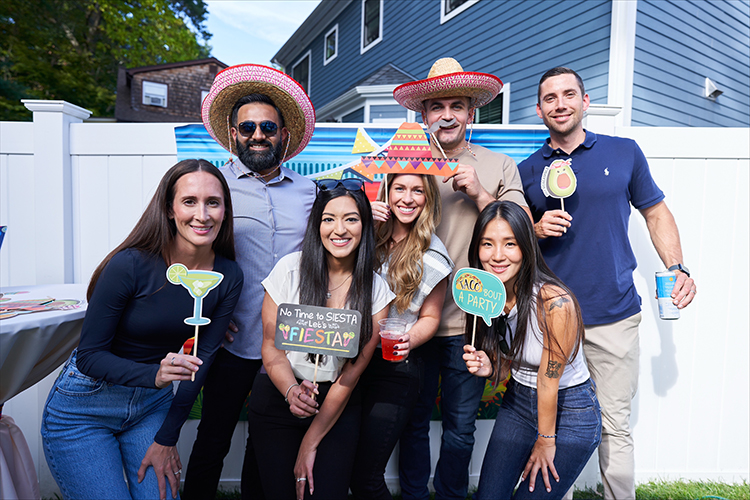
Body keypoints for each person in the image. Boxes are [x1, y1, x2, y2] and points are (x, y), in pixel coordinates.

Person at [518, 67, 697, 500]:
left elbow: (655, 213)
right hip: (551, 318)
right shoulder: (525, 172)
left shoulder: (624, 153)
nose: (560, 104)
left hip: (614, 315)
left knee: (614, 424)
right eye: (549, 98)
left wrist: (679, 268)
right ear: (539, 110)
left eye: (568, 95)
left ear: (585, 101)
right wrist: (534, 230)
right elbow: (509, 243)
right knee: (548, 422)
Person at [41, 160, 243, 500]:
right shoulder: (130, 265)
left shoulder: (227, 276)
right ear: (168, 208)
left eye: (213, 202)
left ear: (225, 209)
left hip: (151, 407)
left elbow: (203, 361)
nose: (203, 214)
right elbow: (89, 357)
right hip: (86, 406)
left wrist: (167, 437)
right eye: (189, 201)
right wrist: (156, 375)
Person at [391, 57, 531, 500]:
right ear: (424, 114)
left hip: (472, 320)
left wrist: (481, 194)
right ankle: (414, 494)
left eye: (457, 105)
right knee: (411, 422)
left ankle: (450, 495)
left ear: (471, 112)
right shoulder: (406, 163)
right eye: (436, 106)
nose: (446, 114)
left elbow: (523, 227)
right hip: (411, 316)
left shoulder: (498, 164)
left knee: (460, 427)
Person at [184, 64, 316, 500]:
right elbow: (186, 251)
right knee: (214, 438)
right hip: (232, 339)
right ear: (233, 132)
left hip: (288, 342)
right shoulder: (214, 188)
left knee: (269, 443)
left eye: (267, 127)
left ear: (283, 135)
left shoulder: (309, 191)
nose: (257, 135)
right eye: (248, 127)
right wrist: (207, 312)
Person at [247, 179, 395, 500]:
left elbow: (351, 375)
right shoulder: (289, 270)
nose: (339, 229)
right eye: (328, 219)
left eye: (351, 219)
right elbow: (271, 348)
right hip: (279, 394)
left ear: (365, 225)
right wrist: (290, 391)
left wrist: (310, 442)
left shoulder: (377, 290)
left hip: (335, 404)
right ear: (317, 225)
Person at [462, 200, 601, 500]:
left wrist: (546, 440)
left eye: (510, 243)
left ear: (526, 246)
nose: (497, 255)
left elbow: (547, 381)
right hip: (519, 402)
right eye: (487, 244)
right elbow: (509, 363)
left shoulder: (555, 302)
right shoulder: (485, 295)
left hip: (570, 410)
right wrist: (491, 368)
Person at [351, 173, 454, 499]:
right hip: (349, 359)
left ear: (428, 199)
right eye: (400, 188)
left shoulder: (433, 254)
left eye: (417, 191)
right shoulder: (366, 233)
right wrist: (363, 220)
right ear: (387, 191)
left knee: (366, 475)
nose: (407, 198)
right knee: (343, 461)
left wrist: (408, 339)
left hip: (393, 366)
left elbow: (430, 317)